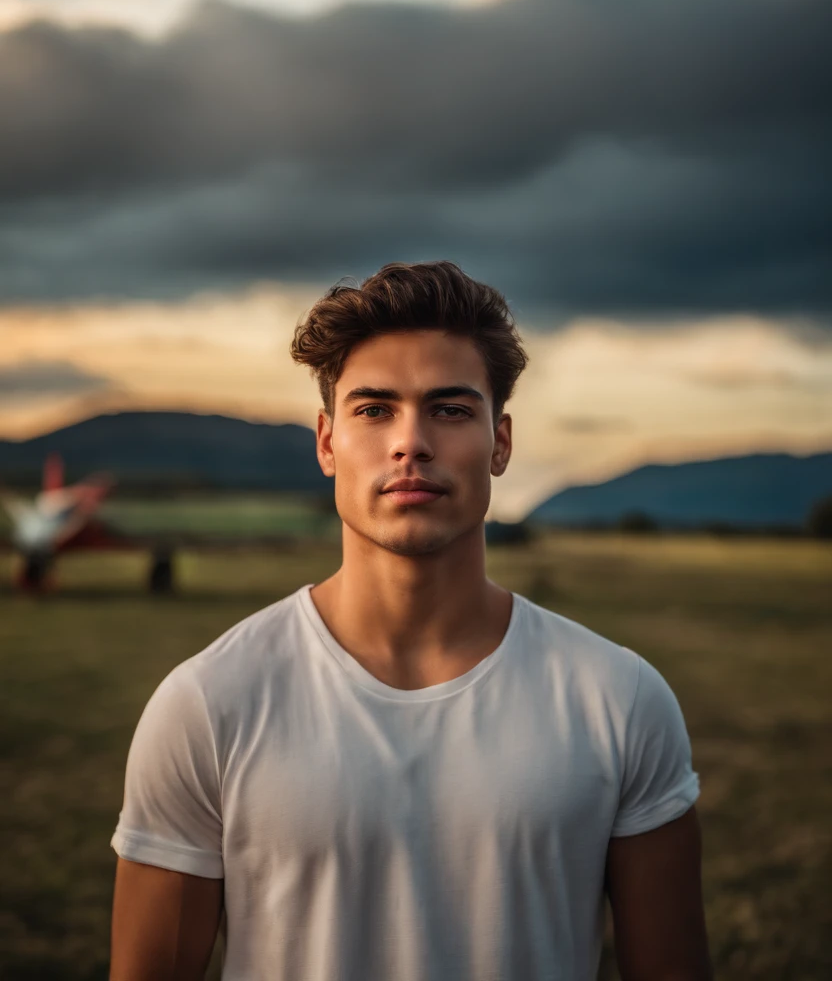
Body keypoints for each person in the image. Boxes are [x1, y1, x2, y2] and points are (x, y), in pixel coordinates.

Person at [110, 261, 712, 981]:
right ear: (327, 443)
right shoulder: (208, 705)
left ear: (501, 442)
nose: (410, 442)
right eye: (374, 409)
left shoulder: (619, 700)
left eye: (450, 409)